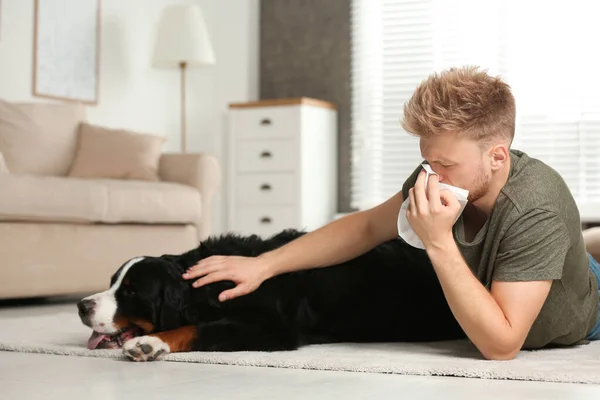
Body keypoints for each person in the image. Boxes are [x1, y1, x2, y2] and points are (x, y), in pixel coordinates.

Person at [182, 66, 600, 360]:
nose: (432, 174)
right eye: (427, 160)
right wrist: (264, 265)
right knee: (572, 249)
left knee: (577, 256)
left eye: (447, 165)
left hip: (587, 308)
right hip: (523, 265)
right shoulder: (440, 170)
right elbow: (365, 227)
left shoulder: (535, 209)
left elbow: (503, 345)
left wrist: (437, 242)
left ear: (497, 156)